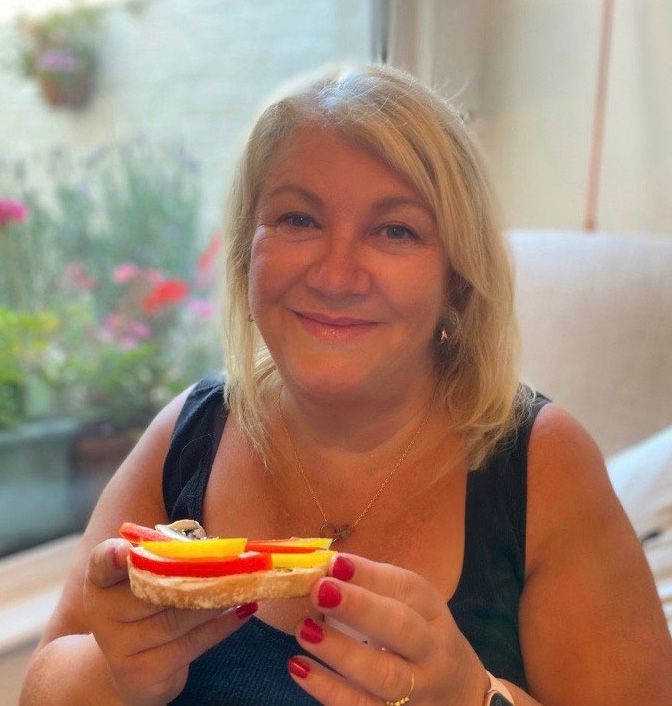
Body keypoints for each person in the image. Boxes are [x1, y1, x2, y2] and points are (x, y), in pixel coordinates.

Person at [20, 64, 672, 706]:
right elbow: (43, 686)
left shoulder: (543, 463)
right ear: (247, 252)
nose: (336, 276)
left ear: (457, 278)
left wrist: (475, 698)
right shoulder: (189, 435)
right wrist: (118, 676)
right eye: (299, 220)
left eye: (395, 230)